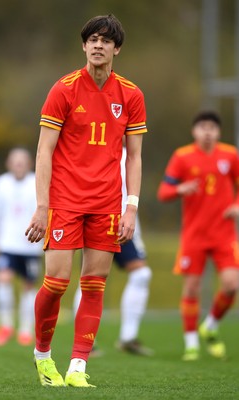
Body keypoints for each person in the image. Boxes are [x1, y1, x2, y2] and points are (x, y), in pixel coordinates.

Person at [25, 14, 147, 388]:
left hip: (107, 204)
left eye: (105, 41)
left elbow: (136, 156)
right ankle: (43, 356)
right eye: (92, 39)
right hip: (64, 200)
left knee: (94, 283)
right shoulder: (63, 89)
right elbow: (44, 152)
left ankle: (78, 367)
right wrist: (42, 207)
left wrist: (131, 207)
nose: (98, 45)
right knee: (57, 282)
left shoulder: (131, 94)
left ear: (116, 49)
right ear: (83, 45)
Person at [157, 111, 239, 361]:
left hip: (224, 233)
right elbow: (163, 192)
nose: (207, 131)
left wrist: (237, 205)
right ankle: (191, 343)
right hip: (194, 234)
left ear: (218, 132)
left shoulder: (230, 155)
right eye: (202, 127)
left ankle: (210, 325)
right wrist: (179, 189)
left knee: (232, 284)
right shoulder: (182, 157)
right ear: (194, 131)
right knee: (191, 288)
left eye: (212, 127)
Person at [73, 144, 153, 357]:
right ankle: (86, 341)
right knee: (90, 279)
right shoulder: (95, 148)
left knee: (141, 274)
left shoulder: (132, 155)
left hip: (124, 223)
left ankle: (128, 337)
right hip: (98, 221)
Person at [0, 147, 43, 346]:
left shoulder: (37, 182)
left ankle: (26, 330)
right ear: (8, 163)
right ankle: (5, 325)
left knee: (29, 286)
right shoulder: (0, 184)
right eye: (14, 161)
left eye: (22, 161)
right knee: (3, 278)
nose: (18, 164)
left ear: (29, 163)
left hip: (31, 245)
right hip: (7, 243)